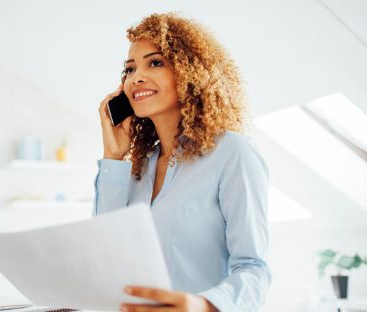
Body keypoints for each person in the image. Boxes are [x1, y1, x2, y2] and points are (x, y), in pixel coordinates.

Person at [94, 13, 271, 312]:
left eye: (156, 62)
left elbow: (253, 268)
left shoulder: (232, 153)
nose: (135, 77)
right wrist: (113, 158)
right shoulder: (137, 168)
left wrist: (202, 305)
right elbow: (106, 254)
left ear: (191, 72)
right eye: (129, 68)